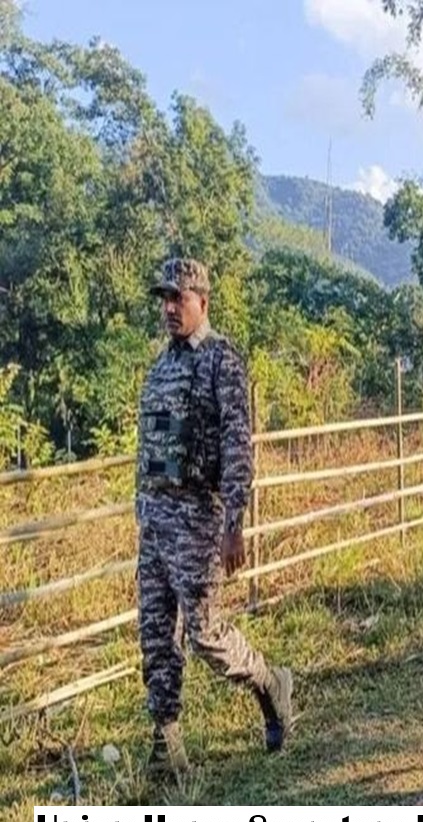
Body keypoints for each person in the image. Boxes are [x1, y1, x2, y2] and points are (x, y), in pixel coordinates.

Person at [136, 257, 294, 780]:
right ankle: (167, 747)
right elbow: (151, 450)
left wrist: (234, 522)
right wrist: (143, 517)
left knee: (204, 632)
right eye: (165, 298)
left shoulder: (220, 360)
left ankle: (269, 683)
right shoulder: (161, 366)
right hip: (156, 522)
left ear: (202, 301)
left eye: (178, 298)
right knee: (156, 636)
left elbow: (236, 444)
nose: (169, 307)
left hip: (198, 521)